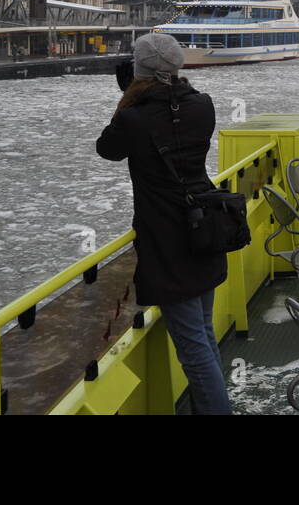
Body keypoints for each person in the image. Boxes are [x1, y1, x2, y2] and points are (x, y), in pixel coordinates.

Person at [95, 32, 231, 414]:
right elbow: (174, 124)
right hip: (204, 229)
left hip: (167, 243)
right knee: (202, 334)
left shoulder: (133, 117)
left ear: (140, 72)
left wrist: (128, 97)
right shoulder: (203, 105)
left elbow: (107, 148)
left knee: (193, 349)